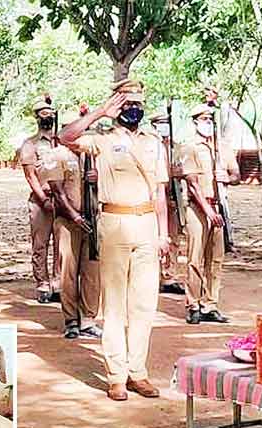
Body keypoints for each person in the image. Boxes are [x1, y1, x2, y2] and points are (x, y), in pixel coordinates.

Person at [60, 79, 170, 401]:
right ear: (117, 107)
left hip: (148, 224)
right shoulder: (103, 141)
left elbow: (161, 192)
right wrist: (99, 113)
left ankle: (138, 372)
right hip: (115, 223)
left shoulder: (153, 143)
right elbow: (66, 137)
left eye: (137, 103)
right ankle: (116, 376)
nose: (133, 109)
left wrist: (163, 233)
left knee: (144, 304)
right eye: (126, 103)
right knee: (115, 306)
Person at [41, 112, 102, 340]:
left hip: (94, 220)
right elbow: (57, 191)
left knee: (92, 272)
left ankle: (88, 318)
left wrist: (98, 179)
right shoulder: (56, 155)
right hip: (68, 221)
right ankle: (71, 320)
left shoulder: (93, 154)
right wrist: (75, 216)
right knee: (68, 271)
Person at [179, 103, 238, 325]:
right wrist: (208, 211)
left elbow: (236, 175)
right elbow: (192, 184)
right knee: (195, 257)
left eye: (211, 120)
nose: (208, 124)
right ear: (195, 122)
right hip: (198, 208)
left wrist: (227, 178)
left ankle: (210, 304)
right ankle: (193, 304)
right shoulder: (190, 147)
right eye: (204, 120)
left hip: (218, 206)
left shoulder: (222, 148)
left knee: (216, 259)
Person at [18, 98, 61, 304]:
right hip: (40, 200)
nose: (48, 117)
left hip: (63, 200)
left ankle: (59, 282)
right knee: (41, 243)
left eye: (50, 113)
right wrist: (43, 199)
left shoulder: (61, 141)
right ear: (37, 117)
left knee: (63, 245)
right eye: (43, 114)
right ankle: (42, 283)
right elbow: (30, 175)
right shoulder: (30, 144)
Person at [149, 111, 186, 295]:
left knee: (173, 239)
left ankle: (169, 275)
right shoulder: (150, 146)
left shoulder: (176, 148)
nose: (163, 126)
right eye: (160, 123)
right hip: (154, 199)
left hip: (173, 199)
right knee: (154, 238)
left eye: (166, 123)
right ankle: (154, 276)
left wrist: (178, 172)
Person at [203, 85, 238, 251]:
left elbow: (236, 176)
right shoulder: (201, 110)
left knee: (223, 205)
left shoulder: (222, 110)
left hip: (221, 154)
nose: (207, 95)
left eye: (210, 92)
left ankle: (228, 240)